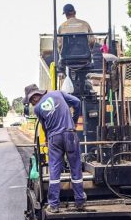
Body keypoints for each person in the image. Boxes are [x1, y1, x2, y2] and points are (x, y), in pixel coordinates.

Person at [24, 84, 86, 212]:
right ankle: (79, 201)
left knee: (54, 170)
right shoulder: (58, 93)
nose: (32, 103)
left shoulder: (37, 109)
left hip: (54, 139)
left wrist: (47, 139)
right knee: (75, 168)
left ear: (34, 97)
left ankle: (54, 205)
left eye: (31, 100)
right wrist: (74, 121)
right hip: (70, 134)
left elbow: (44, 127)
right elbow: (77, 102)